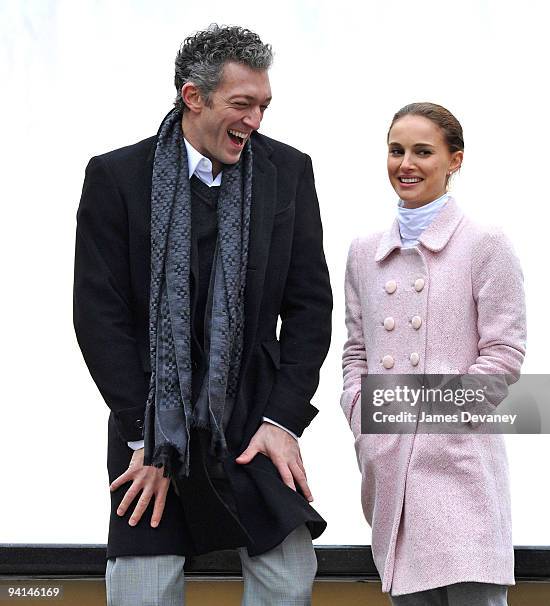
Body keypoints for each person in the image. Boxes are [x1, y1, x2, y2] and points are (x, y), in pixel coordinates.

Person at [74, 24, 332, 606]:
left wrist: (283, 423)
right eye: (242, 105)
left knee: (289, 581)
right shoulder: (116, 178)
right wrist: (146, 439)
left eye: (264, 106)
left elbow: (310, 307)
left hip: (252, 428)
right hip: (151, 427)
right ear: (194, 97)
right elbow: (98, 316)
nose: (255, 121)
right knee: (142, 592)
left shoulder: (288, 171)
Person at [340, 102, 526, 605]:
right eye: (397, 150)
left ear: (455, 161)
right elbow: (356, 352)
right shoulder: (363, 251)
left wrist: (432, 425)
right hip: (389, 470)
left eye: (423, 151)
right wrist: (363, 419)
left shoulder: (485, 243)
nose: (407, 164)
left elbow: (503, 356)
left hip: (460, 469)